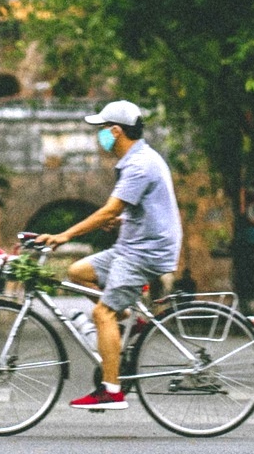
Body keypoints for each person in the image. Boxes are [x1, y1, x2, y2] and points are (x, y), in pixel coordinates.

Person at [38, 100, 182, 411]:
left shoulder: (139, 165)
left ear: (116, 131)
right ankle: (133, 321)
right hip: (132, 245)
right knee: (78, 272)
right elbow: (145, 208)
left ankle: (111, 389)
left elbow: (109, 208)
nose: (100, 136)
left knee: (102, 314)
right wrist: (124, 220)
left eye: (103, 130)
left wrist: (65, 235)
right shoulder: (137, 159)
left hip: (144, 252)